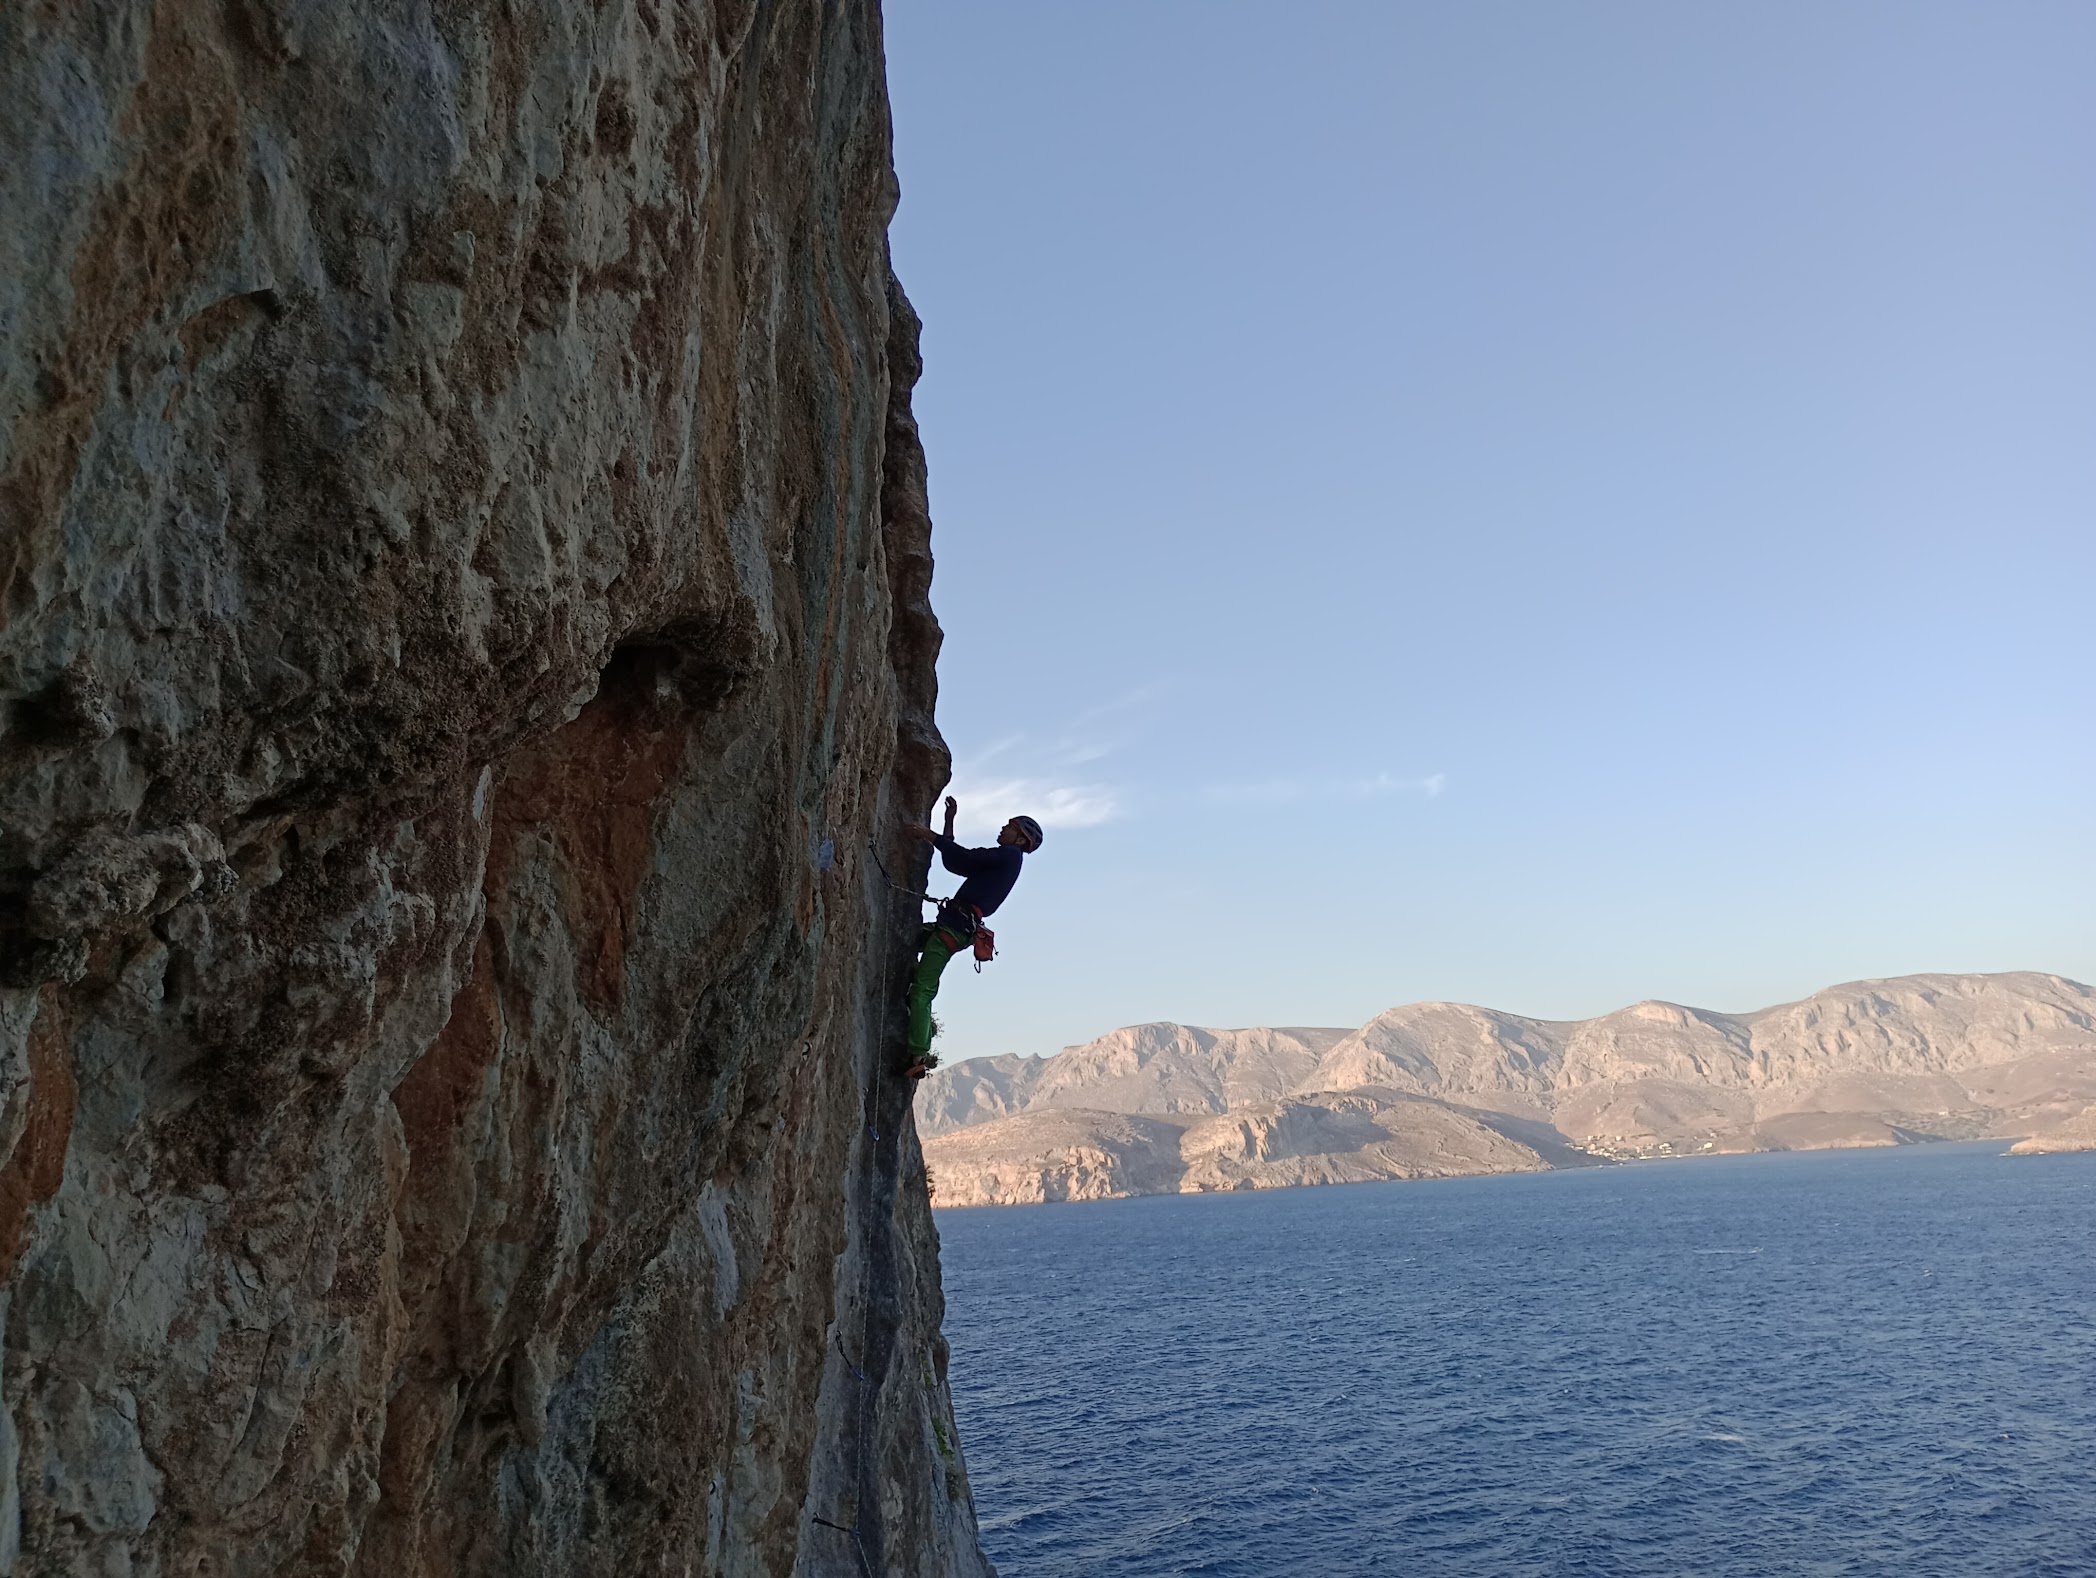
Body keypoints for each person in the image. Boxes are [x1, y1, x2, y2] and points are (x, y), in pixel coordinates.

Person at [899, 796, 1043, 1078]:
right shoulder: (1005, 860)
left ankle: (917, 1054)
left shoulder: (1010, 856)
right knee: (906, 943)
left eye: (1010, 827)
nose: (1003, 828)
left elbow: (965, 858)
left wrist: (929, 835)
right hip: (954, 927)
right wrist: (949, 821)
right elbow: (956, 862)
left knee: (922, 990)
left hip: (954, 929)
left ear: (1021, 840)